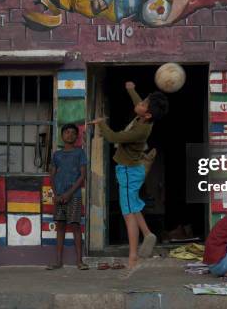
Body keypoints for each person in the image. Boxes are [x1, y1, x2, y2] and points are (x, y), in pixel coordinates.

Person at [88, 81, 169, 269]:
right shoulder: (146, 117)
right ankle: (148, 233)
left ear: (147, 114)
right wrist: (131, 89)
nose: (139, 104)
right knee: (132, 205)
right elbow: (140, 103)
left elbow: (114, 138)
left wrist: (101, 124)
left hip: (127, 171)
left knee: (128, 214)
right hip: (134, 170)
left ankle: (133, 255)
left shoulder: (141, 130)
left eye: (143, 104)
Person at [46, 124, 88, 271]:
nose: (69, 135)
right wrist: (56, 194)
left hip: (74, 195)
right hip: (59, 197)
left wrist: (69, 193)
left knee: (76, 227)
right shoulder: (57, 155)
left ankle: (79, 261)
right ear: (62, 136)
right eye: (66, 132)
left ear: (77, 137)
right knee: (61, 227)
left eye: (72, 133)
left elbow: (82, 176)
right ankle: (58, 262)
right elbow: (52, 175)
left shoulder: (80, 153)